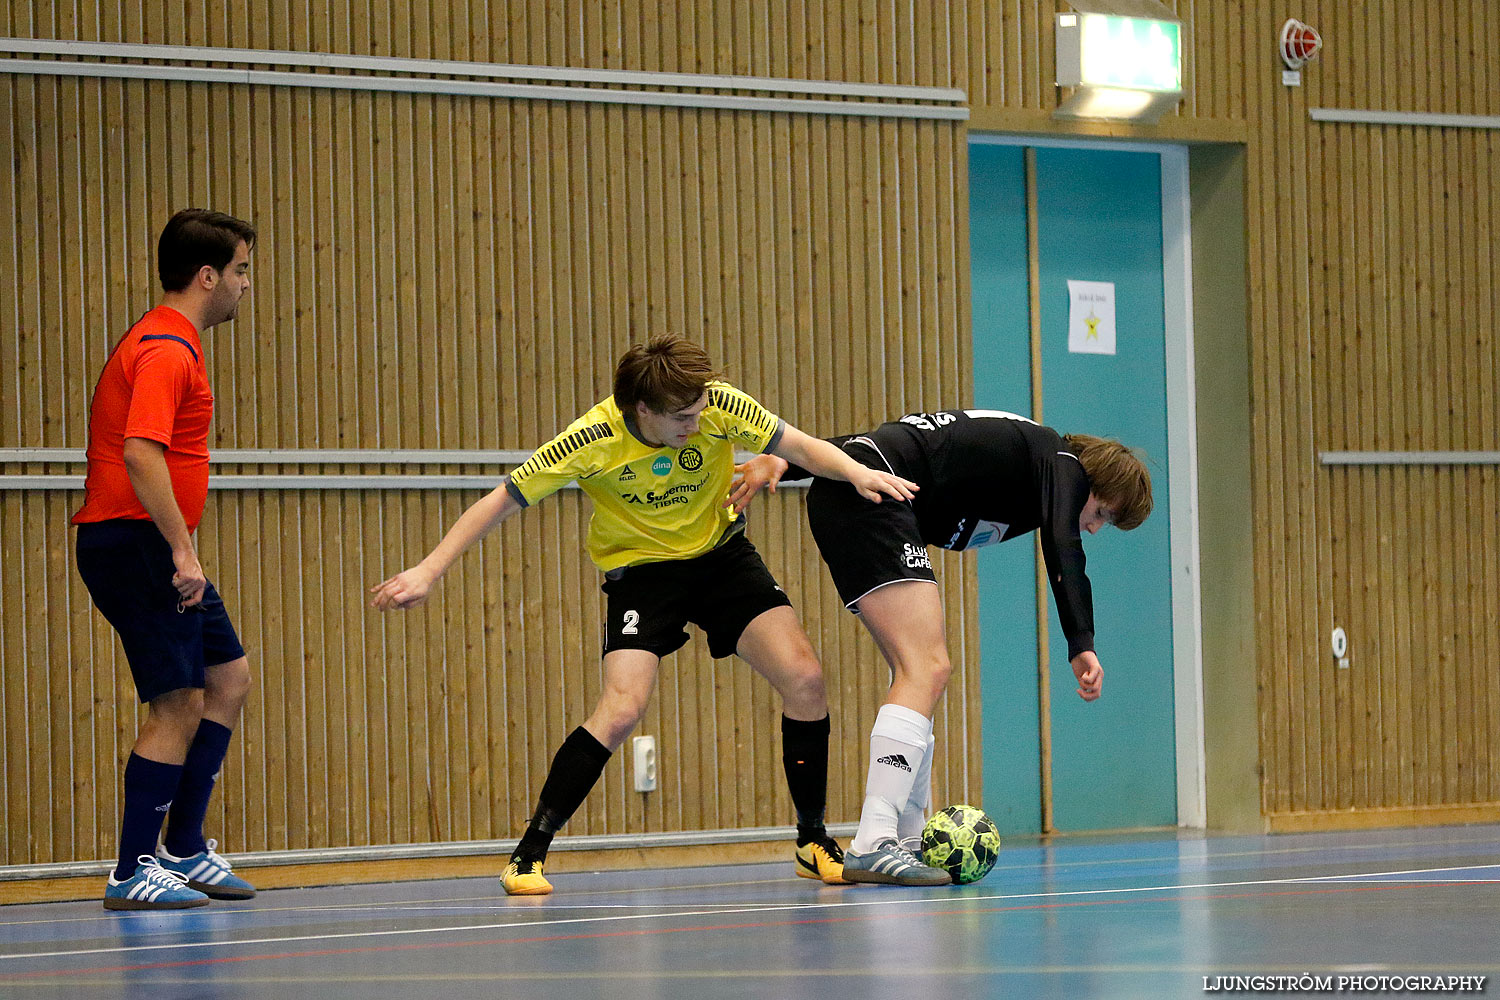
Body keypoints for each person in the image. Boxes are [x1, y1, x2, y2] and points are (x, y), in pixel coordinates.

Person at [370, 335, 918, 895]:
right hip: (641, 574)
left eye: (701, 410)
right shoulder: (590, 440)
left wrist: (856, 473)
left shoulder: (717, 404)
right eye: (682, 417)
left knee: (805, 680)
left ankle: (812, 840)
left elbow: (797, 445)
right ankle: (528, 854)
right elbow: (500, 500)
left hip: (722, 558)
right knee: (621, 709)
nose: (698, 424)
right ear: (643, 410)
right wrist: (428, 570)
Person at [730, 408, 1152, 885]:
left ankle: (906, 836)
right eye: (1101, 512)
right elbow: (1064, 544)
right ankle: (874, 840)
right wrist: (1081, 642)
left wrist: (787, 461)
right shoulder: (1062, 462)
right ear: (1088, 477)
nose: (1094, 526)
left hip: (858, 495)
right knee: (926, 667)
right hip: (867, 496)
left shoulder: (1030, 465)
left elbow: (882, 440)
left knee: (919, 674)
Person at [73, 209, 259, 910]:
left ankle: (182, 848)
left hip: (153, 543)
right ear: (208, 276)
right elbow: (140, 452)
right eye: (241, 270)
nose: (246, 284)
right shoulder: (166, 350)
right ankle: (131, 869)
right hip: (135, 543)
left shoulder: (178, 343)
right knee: (177, 700)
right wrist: (183, 550)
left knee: (228, 678)